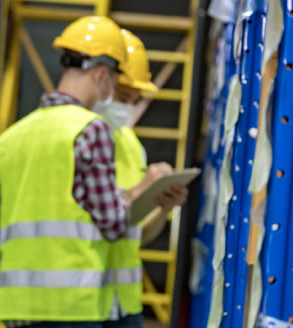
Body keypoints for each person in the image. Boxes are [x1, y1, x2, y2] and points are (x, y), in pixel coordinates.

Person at [0, 16, 173, 328]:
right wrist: (142, 190)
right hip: (75, 306)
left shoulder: (9, 139)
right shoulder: (91, 130)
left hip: (17, 307)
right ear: (103, 75)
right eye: (116, 85)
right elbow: (114, 224)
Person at [96, 29, 188, 325]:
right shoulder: (70, 139)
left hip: (123, 302)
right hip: (82, 299)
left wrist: (162, 205)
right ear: (101, 82)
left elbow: (141, 233)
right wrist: (141, 189)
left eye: (134, 99)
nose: (127, 107)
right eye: (123, 96)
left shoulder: (129, 144)